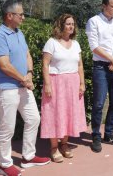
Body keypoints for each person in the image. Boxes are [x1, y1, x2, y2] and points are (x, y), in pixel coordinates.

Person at [0, 0, 50, 176]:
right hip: (6, 88)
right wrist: (24, 79)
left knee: (33, 119)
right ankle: (4, 164)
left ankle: (28, 157)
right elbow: (4, 65)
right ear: (10, 16)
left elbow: (27, 54)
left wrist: (29, 73)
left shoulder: (19, 33)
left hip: (23, 86)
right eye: (21, 14)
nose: (23, 17)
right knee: (7, 127)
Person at [40, 14, 87, 162]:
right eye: (68, 24)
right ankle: (54, 147)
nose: (71, 26)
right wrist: (47, 84)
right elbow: (45, 64)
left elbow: (80, 65)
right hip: (56, 82)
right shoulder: (51, 42)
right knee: (54, 113)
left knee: (68, 113)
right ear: (61, 25)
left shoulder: (76, 44)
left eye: (73, 24)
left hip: (72, 82)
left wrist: (82, 83)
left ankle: (64, 144)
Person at [86, 0, 113, 152]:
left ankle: (109, 133)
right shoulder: (94, 21)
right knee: (98, 103)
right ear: (104, 6)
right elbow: (94, 47)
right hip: (101, 67)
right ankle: (96, 134)